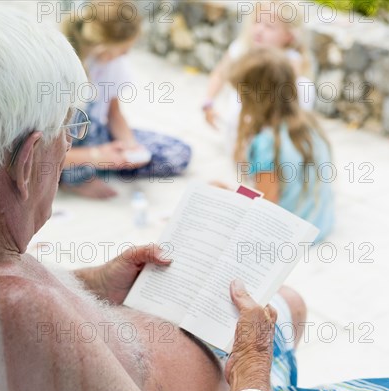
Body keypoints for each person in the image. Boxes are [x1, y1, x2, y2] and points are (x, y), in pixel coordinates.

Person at [0, 5, 389, 391]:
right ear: (28, 163)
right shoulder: (23, 311)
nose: (73, 142)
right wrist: (250, 374)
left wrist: (94, 281)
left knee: (289, 304)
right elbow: (11, 311)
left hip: (149, 342)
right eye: (70, 133)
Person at [60, 0, 192, 199]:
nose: (127, 54)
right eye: (124, 48)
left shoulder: (113, 64)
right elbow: (41, 147)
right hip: (62, 147)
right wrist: (96, 156)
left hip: (97, 138)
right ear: (103, 44)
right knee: (82, 117)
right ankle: (76, 176)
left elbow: (114, 113)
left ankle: (104, 162)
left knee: (178, 153)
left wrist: (130, 146)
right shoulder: (63, 68)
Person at [226, 48, 334, 242]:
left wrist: (229, 196)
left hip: (290, 233)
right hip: (319, 221)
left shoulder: (266, 144)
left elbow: (267, 207)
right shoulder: (308, 122)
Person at [203, 0, 315, 152]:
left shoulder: (291, 61)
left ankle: (280, 148)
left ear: (289, 36)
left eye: (269, 26)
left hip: (270, 132)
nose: (259, 30)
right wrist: (208, 103)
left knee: (304, 86)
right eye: (257, 21)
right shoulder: (242, 49)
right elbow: (219, 74)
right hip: (239, 130)